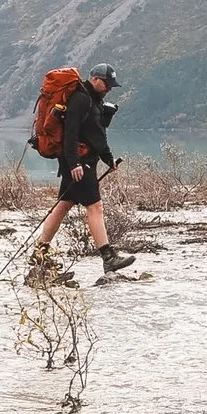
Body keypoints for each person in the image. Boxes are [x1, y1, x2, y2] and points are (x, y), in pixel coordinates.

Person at [30, 62, 136, 277]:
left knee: (62, 206)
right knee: (95, 208)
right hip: (80, 163)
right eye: (106, 84)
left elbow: (96, 135)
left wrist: (108, 159)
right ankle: (108, 258)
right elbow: (70, 133)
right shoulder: (80, 99)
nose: (109, 88)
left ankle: (39, 252)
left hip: (84, 161)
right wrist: (75, 164)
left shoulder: (94, 100)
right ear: (95, 79)